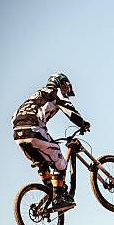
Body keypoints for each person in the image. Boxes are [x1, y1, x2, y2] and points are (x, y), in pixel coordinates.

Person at [11, 73, 91, 211]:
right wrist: (83, 124)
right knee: (59, 162)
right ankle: (58, 198)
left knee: (42, 163)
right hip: (34, 130)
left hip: (18, 134)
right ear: (59, 83)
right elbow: (70, 111)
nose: (66, 90)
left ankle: (49, 189)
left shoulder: (35, 95)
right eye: (65, 86)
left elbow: (14, 117)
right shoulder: (55, 92)